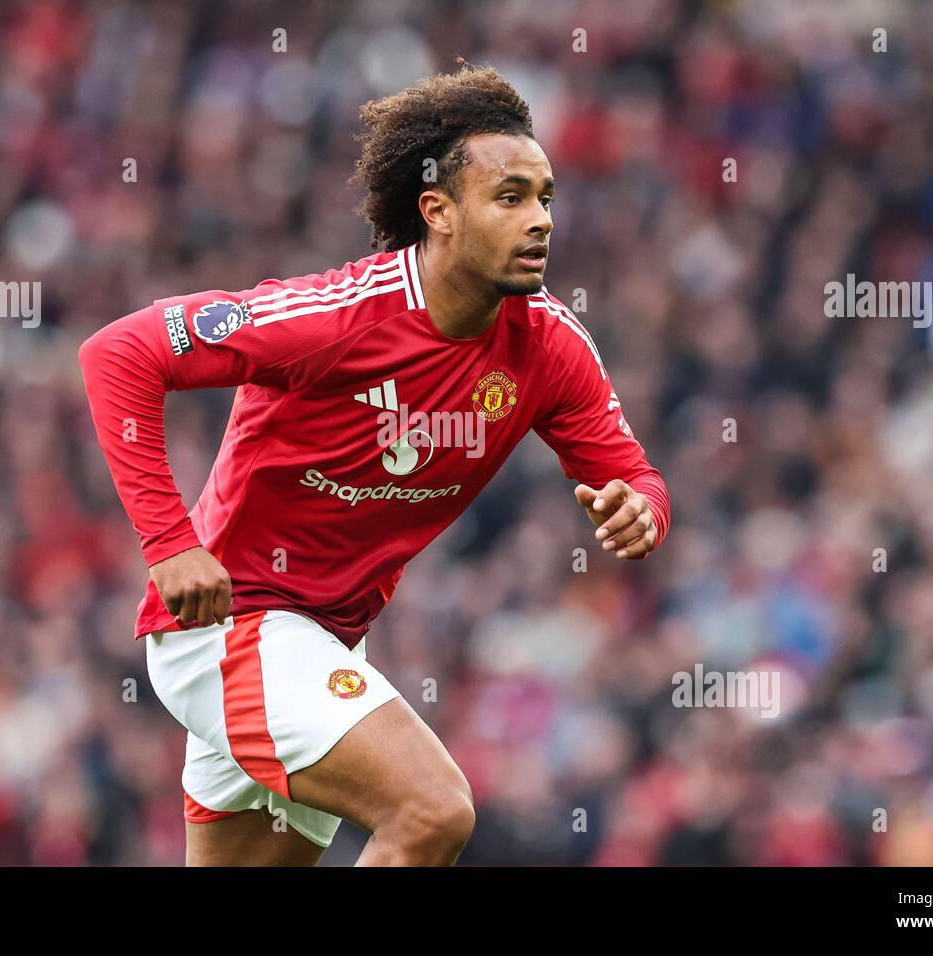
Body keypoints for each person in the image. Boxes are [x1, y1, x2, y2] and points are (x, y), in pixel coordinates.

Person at [78, 63, 670, 866]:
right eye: (510, 198)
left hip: (321, 646)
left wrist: (642, 507)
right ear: (438, 212)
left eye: (546, 198)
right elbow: (118, 354)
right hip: (232, 627)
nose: (539, 222)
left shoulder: (550, 346)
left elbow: (634, 474)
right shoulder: (336, 318)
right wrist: (171, 543)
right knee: (432, 810)